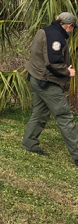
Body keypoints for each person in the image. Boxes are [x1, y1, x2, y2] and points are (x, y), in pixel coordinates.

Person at [22, 12, 78, 165]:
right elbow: (52, 62)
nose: (72, 31)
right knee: (65, 117)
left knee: (40, 113)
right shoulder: (56, 37)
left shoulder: (45, 30)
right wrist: (68, 71)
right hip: (47, 83)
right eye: (73, 28)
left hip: (36, 78)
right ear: (69, 25)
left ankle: (29, 144)